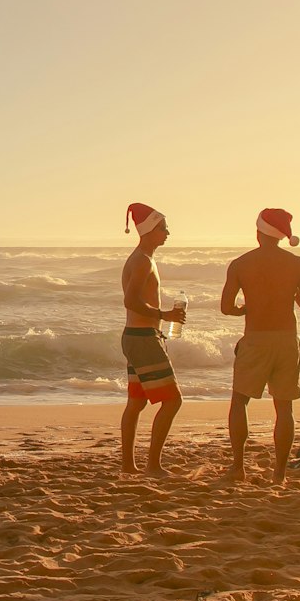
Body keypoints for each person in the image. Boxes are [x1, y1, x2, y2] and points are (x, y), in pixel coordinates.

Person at [220, 207, 300, 484]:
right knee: (284, 407)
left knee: (239, 402)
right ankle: (279, 474)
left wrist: (244, 310)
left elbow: (226, 307)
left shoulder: (240, 264)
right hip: (287, 339)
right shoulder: (297, 263)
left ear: (258, 232)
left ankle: (238, 466)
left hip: (256, 339)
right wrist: (293, 292)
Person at [120, 203, 186, 476]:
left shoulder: (145, 258)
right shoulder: (142, 260)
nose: (168, 232)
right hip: (142, 338)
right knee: (173, 401)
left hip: (139, 336)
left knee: (136, 403)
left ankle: (129, 466)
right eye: (163, 227)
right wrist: (164, 314)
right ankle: (153, 466)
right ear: (149, 230)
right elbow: (131, 300)